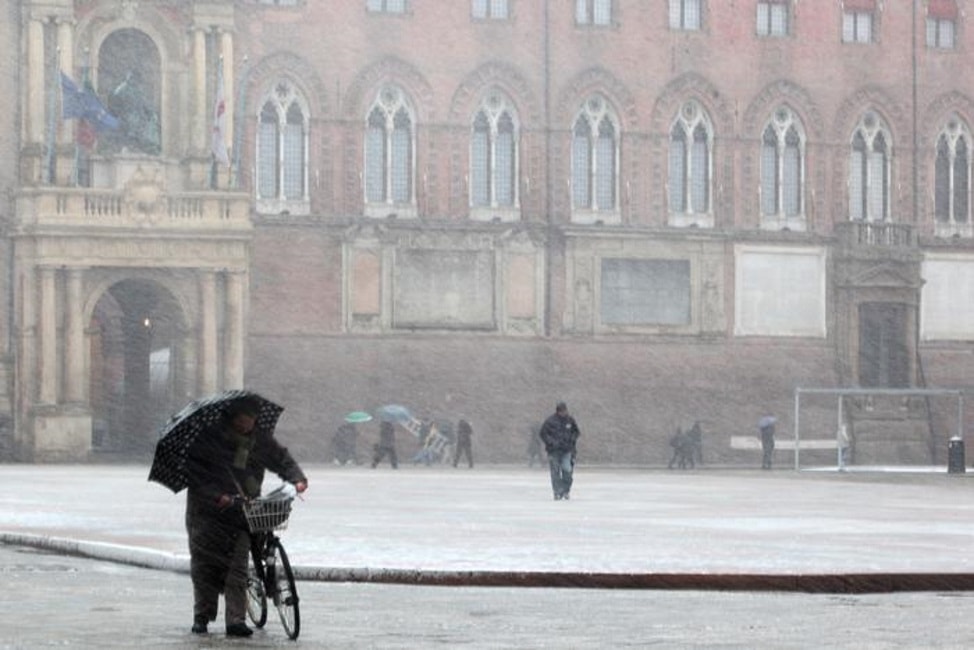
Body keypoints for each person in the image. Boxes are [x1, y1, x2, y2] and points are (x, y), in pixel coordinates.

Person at [184, 396, 308, 637]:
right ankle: (202, 616)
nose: (247, 424)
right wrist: (217, 496)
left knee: (236, 567)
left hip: (242, 510)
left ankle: (235, 620)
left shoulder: (259, 440)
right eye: (242, 419)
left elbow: (280, 458)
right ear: (231, 419)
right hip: (207, 514)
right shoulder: (209, 440)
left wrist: (297, 478)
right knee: (205, 568)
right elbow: (196, 476)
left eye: (251, 419)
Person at [539, 402, 581, 500]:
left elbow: (576, 432)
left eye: (565, 411)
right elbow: (543, 433)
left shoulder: (570, 420)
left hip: (567, 450)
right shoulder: (550, 421)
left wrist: (572, 440)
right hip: (554, 451)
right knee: (555, 472)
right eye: (562, 411)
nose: (564, 413)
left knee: (567, 471)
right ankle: (557, 492)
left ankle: (566, 490)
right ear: (558, 411)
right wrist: (551, 443)